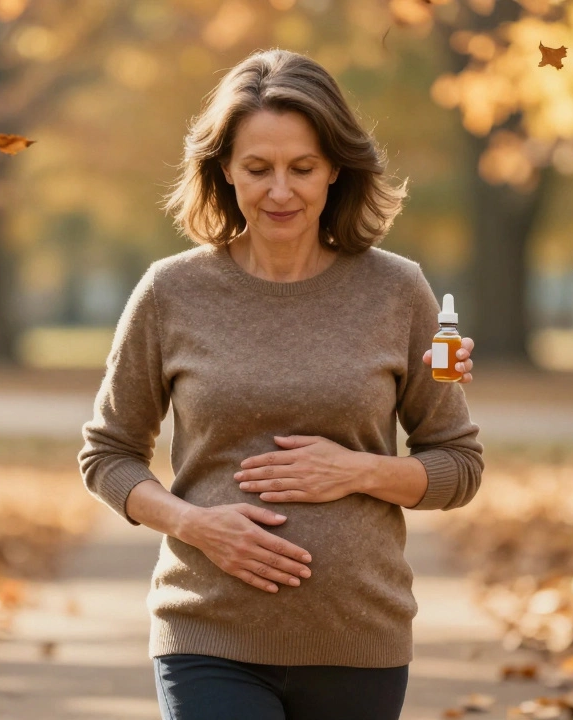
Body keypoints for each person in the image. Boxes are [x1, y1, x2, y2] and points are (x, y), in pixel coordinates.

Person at [78, 48, 481, 720]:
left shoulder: (398, 291)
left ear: (334, 172)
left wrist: (356, 471)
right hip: (208, 631)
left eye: (303, 168)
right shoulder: (170, 292)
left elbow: (459, 465)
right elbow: (107, 455)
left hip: (359, 637)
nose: (281, 191)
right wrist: (195, 524)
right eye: (257, 169)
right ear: (224, 171)